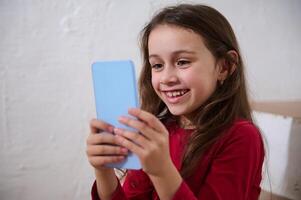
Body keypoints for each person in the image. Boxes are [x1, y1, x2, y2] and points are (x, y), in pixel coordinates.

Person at [86, 3, 265, 200]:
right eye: (157, 65)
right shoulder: (158, 131)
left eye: (182, 62)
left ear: (224, 66)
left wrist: (162, 171)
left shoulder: (242, 136)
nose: (166, 78)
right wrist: (103, 171)